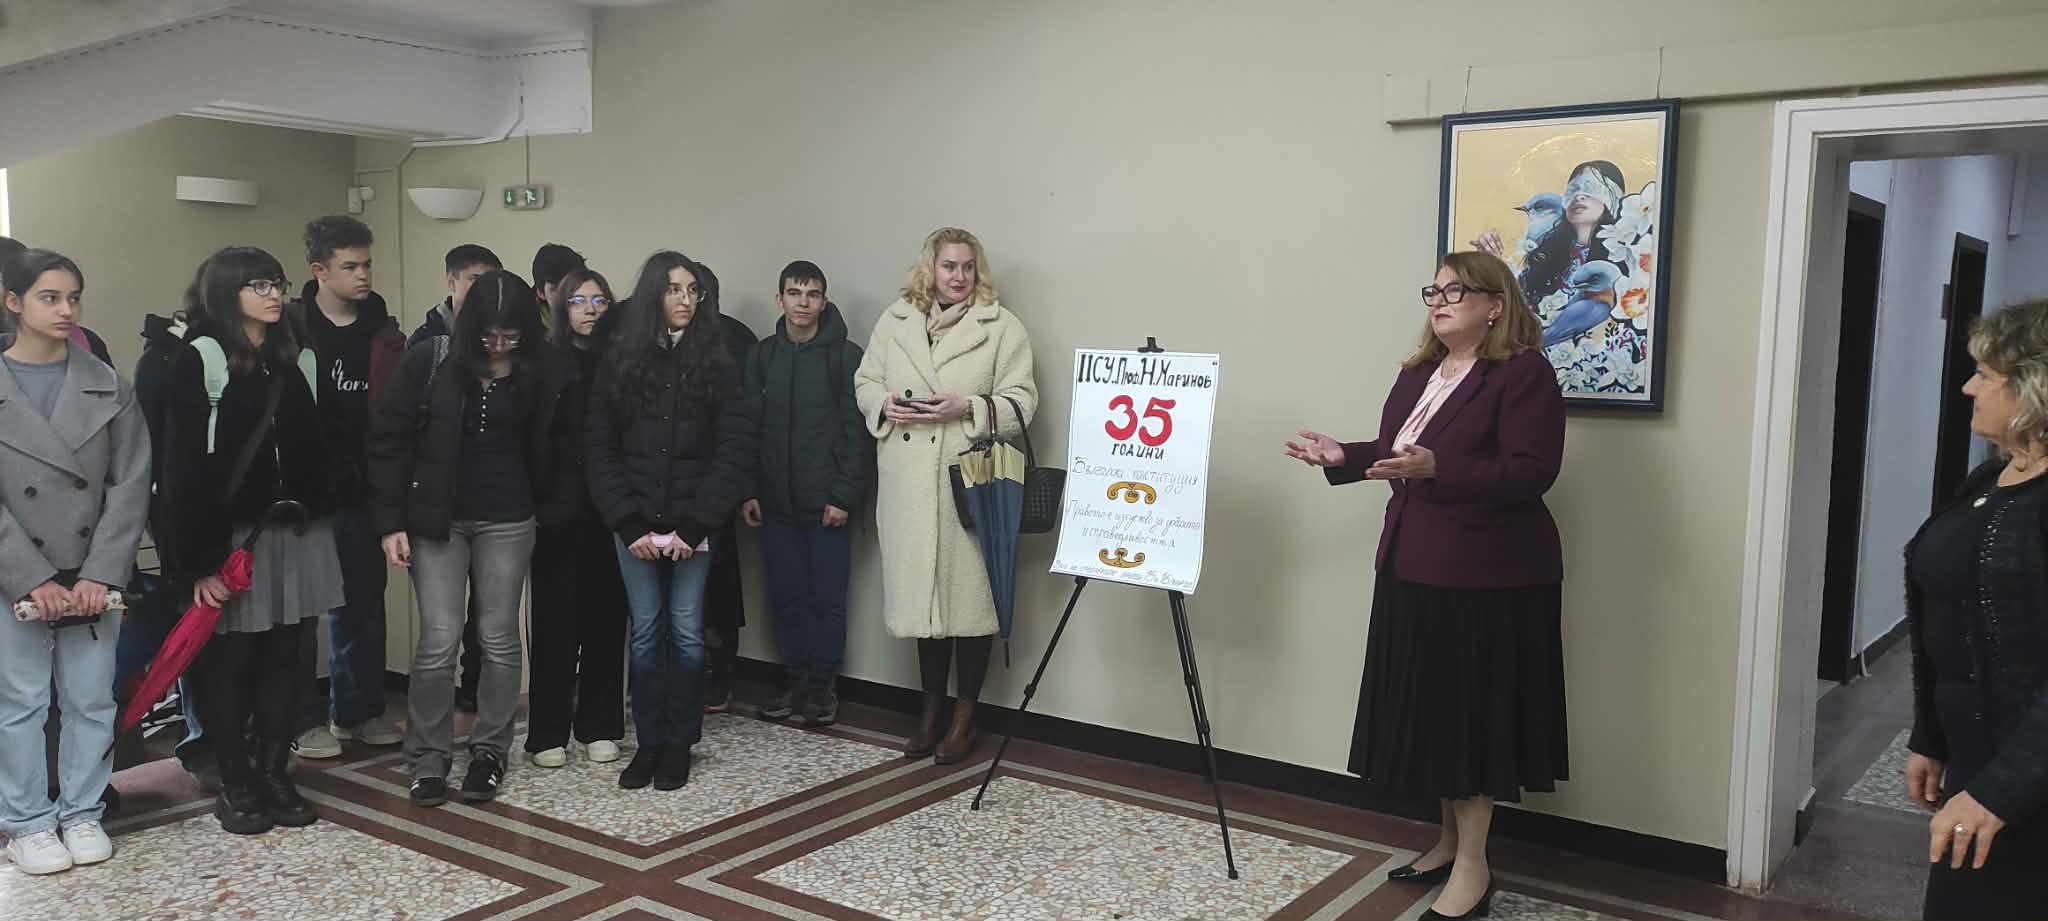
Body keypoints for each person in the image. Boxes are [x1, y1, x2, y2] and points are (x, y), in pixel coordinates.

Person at [1285, 251, 1567, 920]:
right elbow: (1399, 452)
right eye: (1433, 291)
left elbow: (1532, 471)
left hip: (1487, 575)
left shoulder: (1523, 374)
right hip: (1412, 562)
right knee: (1434, 717)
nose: (1439, 301)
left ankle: (1474, 866)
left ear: (1495, 305)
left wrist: (1441, 468)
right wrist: (1345, 457)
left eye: (1456, 291)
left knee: (1469, 721)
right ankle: (1447, 842)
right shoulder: (1419, 373)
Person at [160, 246, 341, 835]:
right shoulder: (201, 359)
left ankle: (273, 771)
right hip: (231, 539)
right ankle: (235, 778)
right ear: (225, 293)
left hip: (297, 530)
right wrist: (196, 563)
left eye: (276, 284)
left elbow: (322, 442)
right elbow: (181, 470)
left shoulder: (296, 355)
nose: (273, 295)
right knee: (229, 663)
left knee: (287, 659)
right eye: (257, 285)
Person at [370, 270, 566, 807]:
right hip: (438, 519)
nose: (499, 345)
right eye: (489, 335)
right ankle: (427, 758)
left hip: (509, 517)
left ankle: (490, 751)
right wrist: (390, 522)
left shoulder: (540, 369)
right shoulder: (430, 360)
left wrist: (552, 509)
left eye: (511, 336)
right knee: (439, 638)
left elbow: (555, 446)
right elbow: (389, 440)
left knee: (498, 637)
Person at [852, 227, 1038, 765]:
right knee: (924, 605)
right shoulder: (896, 321)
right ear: (929, 269)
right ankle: (929, 712)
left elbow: (1024, 401)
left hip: (969, 485)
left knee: (970, 606)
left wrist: (969, 407)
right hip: (910, 483)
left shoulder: (1002, 327)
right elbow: (865, 380)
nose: (958, 276)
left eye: (967, 267)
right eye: (948, 266)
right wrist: (884, 404)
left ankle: (963, 717)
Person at [0, 250, 150, 874]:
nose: (66, 310)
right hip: (13, 575)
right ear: (13, 302)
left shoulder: (109, 385)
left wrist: (101, 571)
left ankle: (83, 811)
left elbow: (131, 482)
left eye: (73, 297)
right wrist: (30, 576)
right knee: (21, 702)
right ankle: (27, 822)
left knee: (91, 699)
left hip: (92, 572)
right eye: (49, 297)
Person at [587, 251, 756, 791]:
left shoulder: (718, 360)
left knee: (686, 633)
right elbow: (600, 450)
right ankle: (649, 743)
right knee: (645, 634)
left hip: (692, 523)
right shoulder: (621, 359)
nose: (685, 300)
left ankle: (679, 743)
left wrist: (696, 526)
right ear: (653, 296)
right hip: (634, 521)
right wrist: (627, 524)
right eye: (674, 289)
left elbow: (733, 451)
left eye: (693, 291)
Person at [1902, 298, 2048, 921]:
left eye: (1985, 375)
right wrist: (1931, 736)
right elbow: (1953, 617)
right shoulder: (1995, 479)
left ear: (2034, 389)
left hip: (2023, 786)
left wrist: (1999, 792)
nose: (1968, 387)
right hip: (1976, 767)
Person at [290, 215, 406, 760]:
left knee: (361, 605)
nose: (363, 275)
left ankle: (358, 711)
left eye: (367, 265)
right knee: (298, 614)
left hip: (364, 491)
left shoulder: (382, 331)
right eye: (350, 266)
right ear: (320, 271)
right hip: (305, 494)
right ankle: (301, 719)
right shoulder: (292, 330)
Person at [741, 261, 868, 726]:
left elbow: (858, 433)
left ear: (824, 301)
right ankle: (793, 679)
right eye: (794, 293)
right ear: (780, 299)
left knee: (827, 599)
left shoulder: (846, 357)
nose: (803, 302)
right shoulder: (762, 356)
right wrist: (749, 490)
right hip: (775, 504)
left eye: (812, 294)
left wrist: (843, 496)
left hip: (827, 505)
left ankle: (822, 685)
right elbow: (747, 427)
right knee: (785, 596)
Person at [524, 268, 628, 768]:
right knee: (555, 625)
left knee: (607, 621)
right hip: (556, 513)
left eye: (599, 300)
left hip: (610, 511)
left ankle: (600, 726)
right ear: (560, 308)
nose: (590, 310)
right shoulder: (542, 364)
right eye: (579, 301)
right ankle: (548, 732)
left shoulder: (621, 364)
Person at [407, 243, 504, 714]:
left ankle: (478, 704)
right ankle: (430, 731)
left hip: (496, 508)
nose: (484, 292)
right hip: (437, 508)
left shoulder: (508, 347)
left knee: (492, 624)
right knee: (440, 629)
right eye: (474, 281)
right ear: (452, 282)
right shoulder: (426, 346)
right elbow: (397, 431)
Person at [702, 266, 757, 713]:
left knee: (719, 583)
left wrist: (744, 485)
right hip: (670, 485)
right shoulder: (658, 343)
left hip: (722, 481)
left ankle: (720, 671)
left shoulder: (737, 341)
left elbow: (751, 420)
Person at [531, 243, 586, 328]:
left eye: (572, 287)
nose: (565, 295)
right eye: (555, 289)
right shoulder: (526, 326)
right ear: (541, 293)